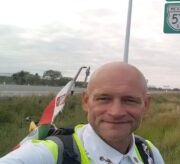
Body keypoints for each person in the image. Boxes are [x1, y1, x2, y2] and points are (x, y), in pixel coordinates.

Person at [0, 62, 164, 164]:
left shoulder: (148, 153)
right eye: (103, 99)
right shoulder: (51, 154)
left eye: (129, 100)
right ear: (86, 101)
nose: (116, 112)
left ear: (146, 105)